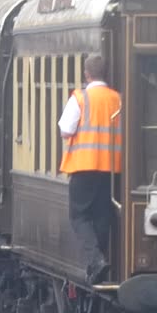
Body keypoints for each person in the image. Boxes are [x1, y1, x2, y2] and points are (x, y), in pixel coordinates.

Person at [58, 54, 123, 285]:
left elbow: (65, 129)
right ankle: (99, 262)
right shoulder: (117, 99)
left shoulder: (81, 97)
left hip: (83, 167)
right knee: (102, 216)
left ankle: (96, 261)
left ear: (87, 74)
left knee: (79, 216)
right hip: (111, 169)